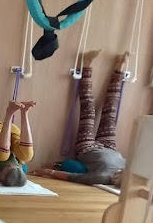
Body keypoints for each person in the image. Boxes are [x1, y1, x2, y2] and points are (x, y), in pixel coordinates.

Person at [31, 51, 126, 187]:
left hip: (87, 148)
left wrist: (47, 172)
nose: (119, 172)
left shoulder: (103, 178)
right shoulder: (130, 172)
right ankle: (119, 70)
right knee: (111, 110)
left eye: (118, 175)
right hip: (110, 147)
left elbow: (73, 177)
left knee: (88, 109)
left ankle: (86, 65)